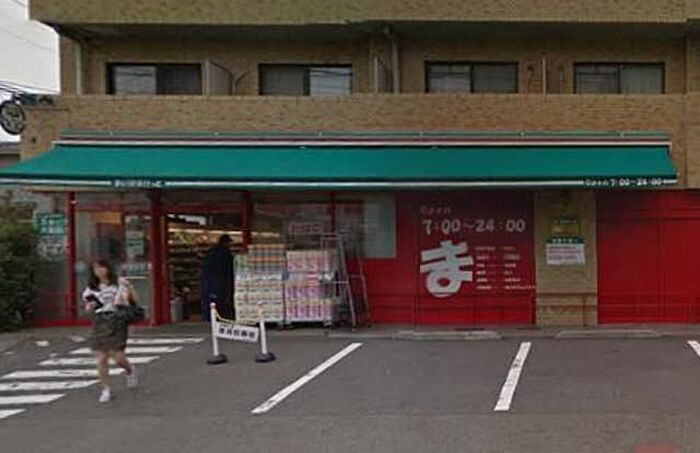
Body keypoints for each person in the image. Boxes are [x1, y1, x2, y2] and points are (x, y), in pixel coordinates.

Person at [82, 259, 139, 403]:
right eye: (96, 268)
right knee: (101, 357)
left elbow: (134, 300)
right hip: (99, 320)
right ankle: (106, 389)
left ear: (108, 268)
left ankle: (129, 370)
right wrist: (90, 306)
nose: (99, 271)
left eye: (102, 267)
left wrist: (128, 291)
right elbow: (88, 307)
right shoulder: (92, 288)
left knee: (117, 356)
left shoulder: (119, 283)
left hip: (116, 320)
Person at [201, 234, 234, 321]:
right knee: (223, 305)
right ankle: (223, 320)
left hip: (209, 284)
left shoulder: (210, 253)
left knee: (212, 304)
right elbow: (228, 269)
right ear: (226, 242)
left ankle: (210, 320)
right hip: (222, 283)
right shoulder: (225, 254)